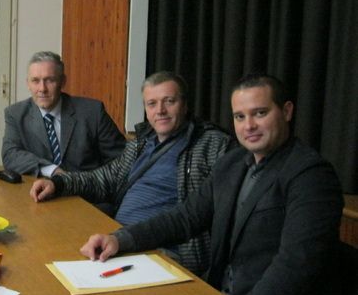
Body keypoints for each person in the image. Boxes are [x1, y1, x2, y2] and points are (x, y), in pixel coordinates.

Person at [80, 74, 344, 295]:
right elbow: (185, 217)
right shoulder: (233, 163)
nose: (249, 125)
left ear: (287, 111)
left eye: (260, 113)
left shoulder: (311, 175)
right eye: (240, 116)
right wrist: (120, 239)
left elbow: (295, 265)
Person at [31, 71, 231, 274]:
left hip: (164, 251)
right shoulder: (142, 144)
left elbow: (204, 213)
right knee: (44, 256)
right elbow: (103, 179)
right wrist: (58, 183)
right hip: (119, 239)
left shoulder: (211, 145)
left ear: (185, 105)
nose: (160, 110)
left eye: (169, 101)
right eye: (152, 104)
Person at [2, 51, 125, 177]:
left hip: (86, 187)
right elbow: (10, 155)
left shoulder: (93, 112)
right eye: (35, 81)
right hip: (40, 187)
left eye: (50, 80)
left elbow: (122, 159)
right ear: (28, 84)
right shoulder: (15, 114)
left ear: (63, 81)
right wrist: (51, 170)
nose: (42, 89)